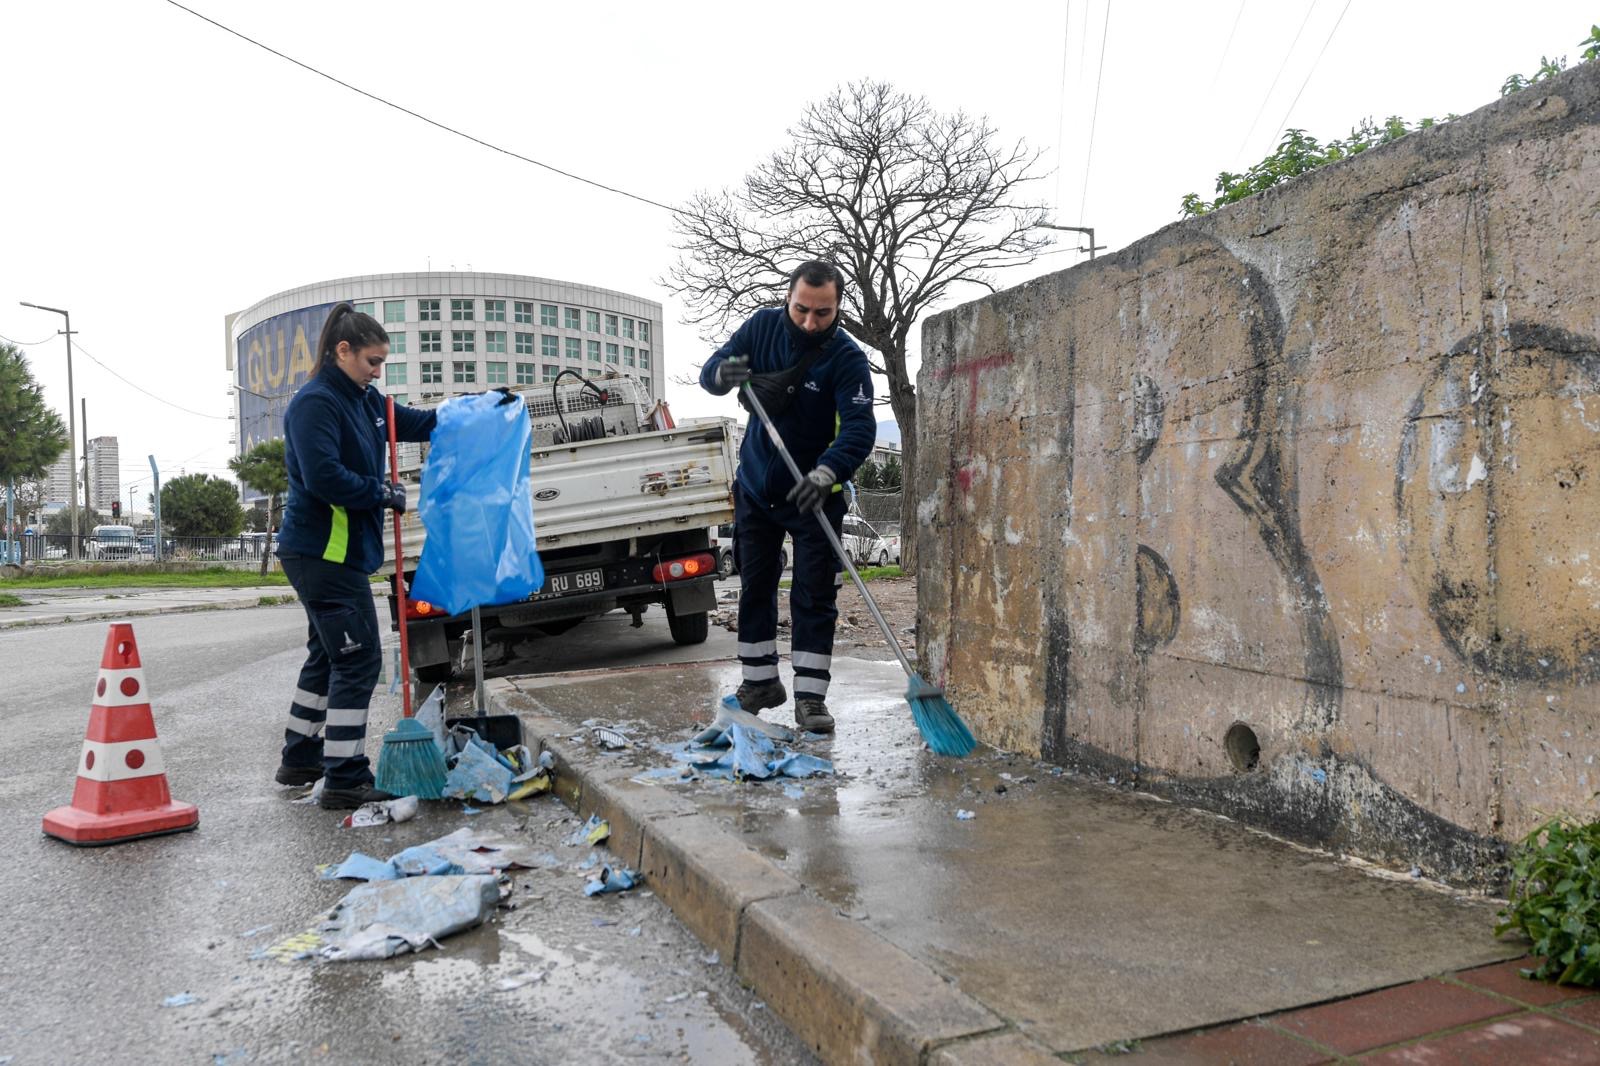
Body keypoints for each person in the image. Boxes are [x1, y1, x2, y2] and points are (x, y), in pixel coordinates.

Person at [272, 302, 438, 809]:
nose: (377, 371)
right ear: (342, 351)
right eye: (372, 360)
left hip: (337, 555)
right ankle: (344, 778)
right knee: (358, 658)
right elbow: (322, 477)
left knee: (327, 654)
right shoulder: (316, 403)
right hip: (322, 554)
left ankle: (300, 756)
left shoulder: (363, 399)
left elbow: (411, 422)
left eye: (382, 362)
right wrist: (381, 491)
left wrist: (475, 411)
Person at [700, 261, 876, 733]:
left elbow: (860, 429)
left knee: (814, 594)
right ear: (789, 298)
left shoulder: (847, 359)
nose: (810, 323)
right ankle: (760, 683)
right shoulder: (761, 327)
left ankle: (810, 698)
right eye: (802, 310)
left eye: (823, 313)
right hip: (757, 488)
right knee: (756, 584)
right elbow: (710, 373)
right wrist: (724, 373)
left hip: (814, 496)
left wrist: (827, 472)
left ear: (838, 307)